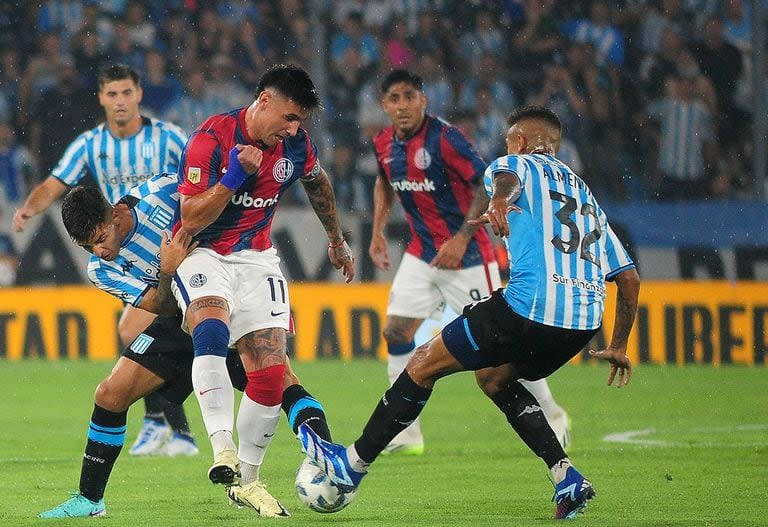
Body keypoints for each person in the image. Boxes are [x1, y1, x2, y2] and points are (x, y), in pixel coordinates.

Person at [299, 105, 640, 520]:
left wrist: (498, 198)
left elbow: (508, 179)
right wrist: (619, 344)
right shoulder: (585, 195)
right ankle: (565, 475)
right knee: (494, 377)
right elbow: (629, 279)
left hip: (527, 308)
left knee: (422, 364)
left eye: (510, 139)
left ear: (520, 141)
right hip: (582, 325)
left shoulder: (514, 163)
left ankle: (350, 465)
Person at [39, 173, 334, 518]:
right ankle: (90, 501)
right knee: (110, 393)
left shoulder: (163, 192)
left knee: (281, 382)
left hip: (226, 301)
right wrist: (167, 270)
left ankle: (331, 464)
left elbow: (216, 200)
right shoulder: (100, 269)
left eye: (101, 238)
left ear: (115, 215)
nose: (99, 251)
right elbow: (162, 305)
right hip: (179, 317)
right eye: (87, 246)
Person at [171, 64, 355, 516]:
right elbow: (191, 218)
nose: (293, 129)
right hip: (202, 252)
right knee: (211, 330)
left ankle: (248, 481)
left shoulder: (295, 146)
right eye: (288, 117)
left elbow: (317, 183)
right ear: (264, 100)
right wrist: (233, 176)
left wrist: (336, 239)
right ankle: (222, 450)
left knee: (271, 374)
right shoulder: (212, 138)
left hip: (256, 257)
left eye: (300, 122)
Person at [368, 69, 571, 455]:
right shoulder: (382, 142)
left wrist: (461, 239)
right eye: (394, 98)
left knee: (505, 346)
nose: (402, 105)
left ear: (423, 100)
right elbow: (383, 180)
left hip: (468, 257)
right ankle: (406, 434)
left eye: (409, 96)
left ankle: (554, 417)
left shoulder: (445, 138)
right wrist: (378, 231)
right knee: (395, 331)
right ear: (385, 105)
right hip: (422, 254)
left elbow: (485, 182)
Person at [12, 63, 196, 457]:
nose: (120, 102)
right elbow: (54, 183)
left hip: (173, 243)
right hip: (120, 252)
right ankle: (170, 425)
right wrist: (28, 209)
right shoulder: (90, 145)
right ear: (101, 99)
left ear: (139, 94)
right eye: (111, 94)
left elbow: (197, 172)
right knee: (142, 329)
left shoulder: (167, 137)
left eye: (126, 93)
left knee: (136, 330)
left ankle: (164, 423)